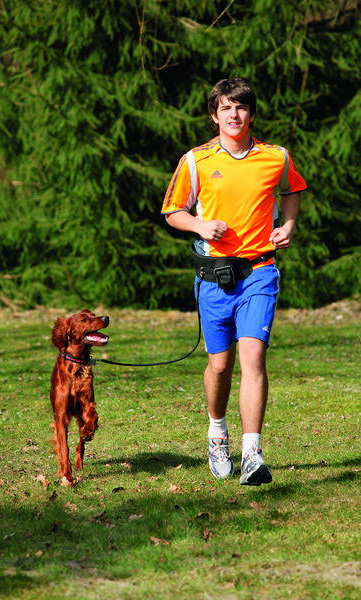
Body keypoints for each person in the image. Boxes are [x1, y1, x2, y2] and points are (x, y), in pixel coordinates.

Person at [161, 77, 306, 485]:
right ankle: (217, 432)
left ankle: (253, 453)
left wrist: (289, 224)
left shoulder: (275, 157)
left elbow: (292, 190)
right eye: (225, 108)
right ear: (214, 115)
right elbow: (173, 211)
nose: (234, 115)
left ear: (251, 113)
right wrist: (200, 225)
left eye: (240, 108)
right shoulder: (196, 160)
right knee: (220, 366)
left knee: (253, 359)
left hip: (260, 271)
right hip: (214, 279)